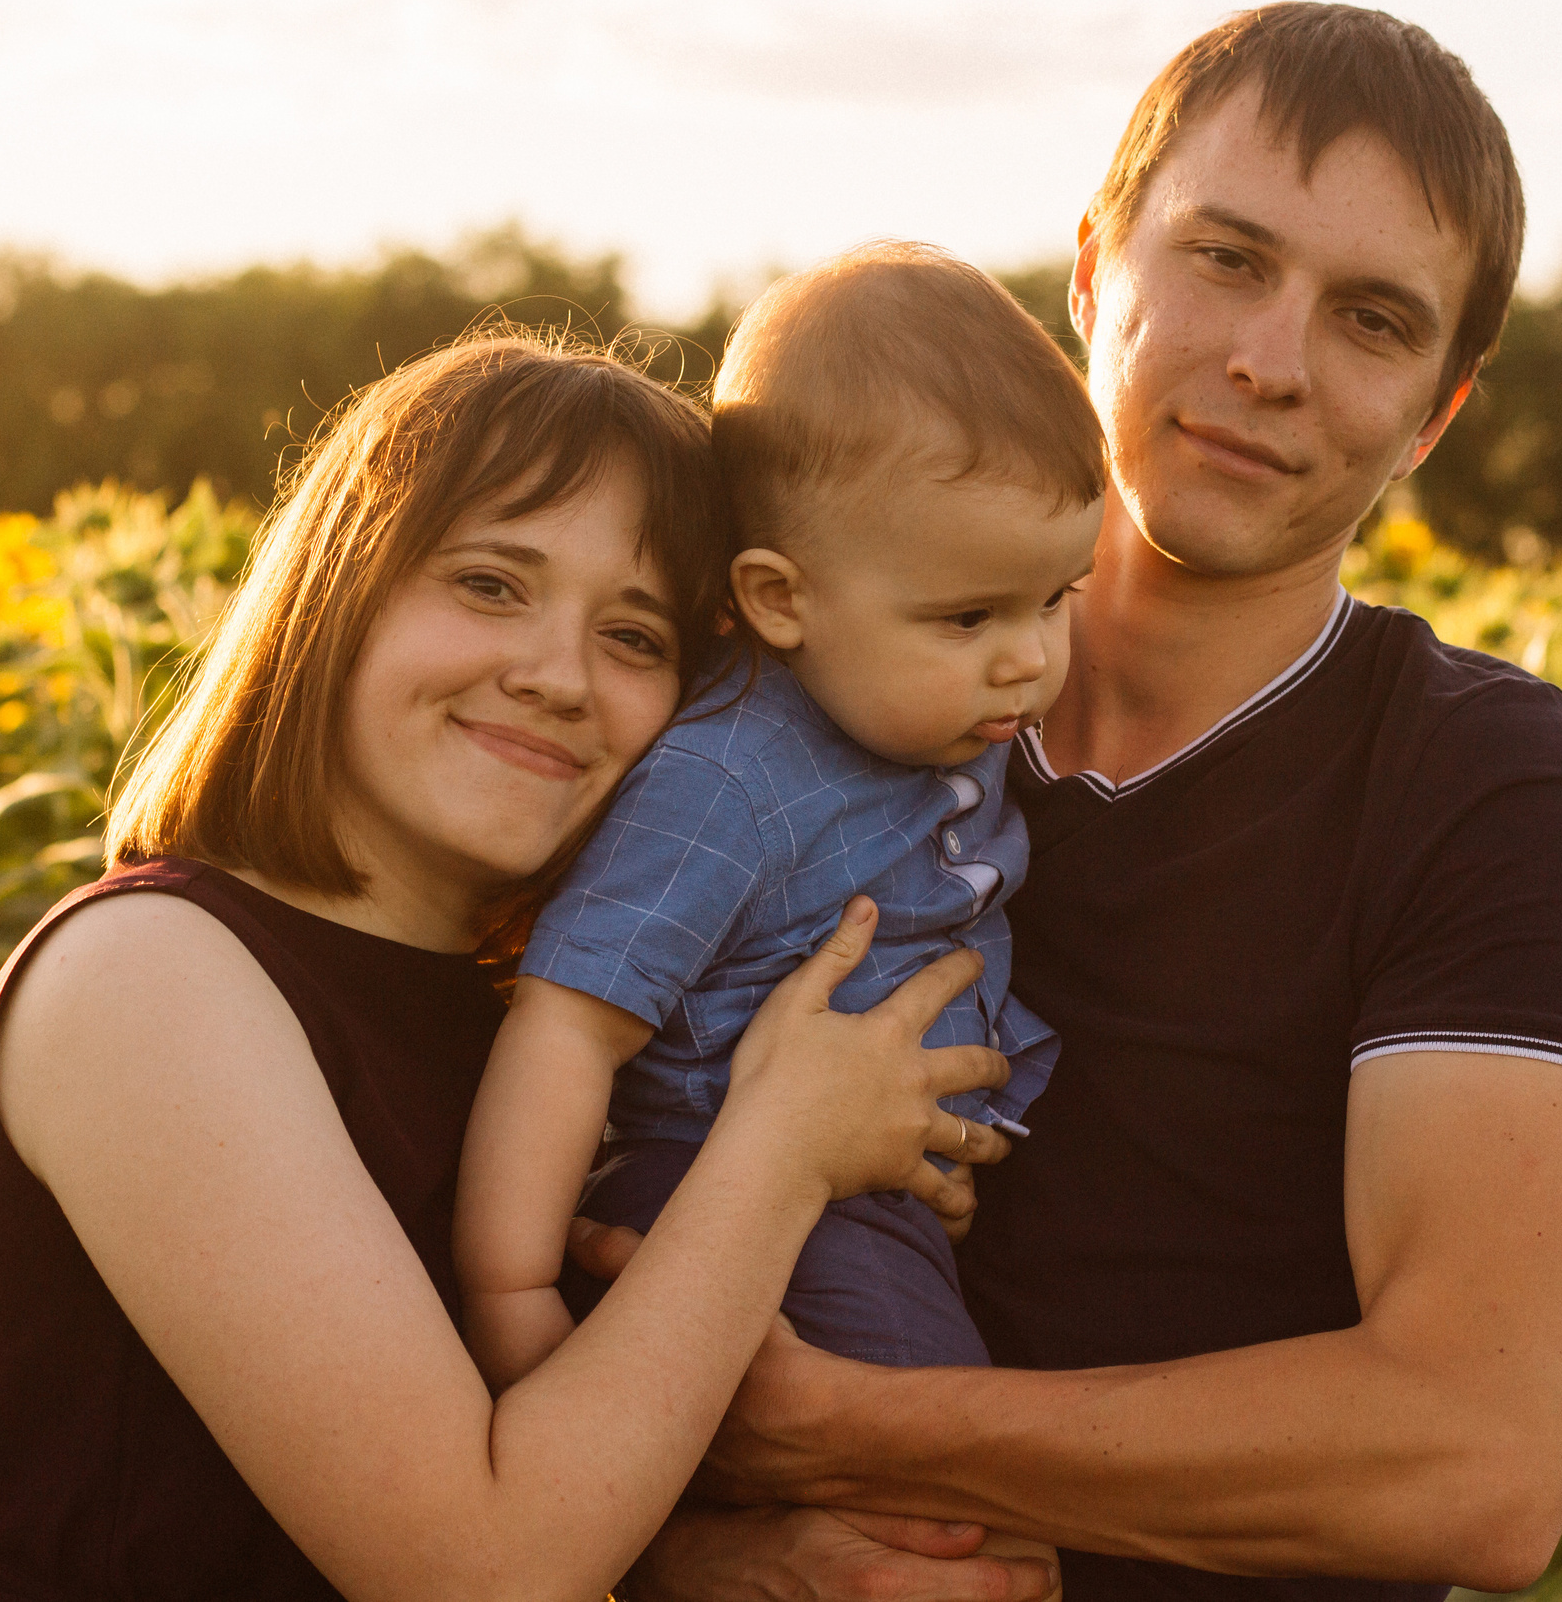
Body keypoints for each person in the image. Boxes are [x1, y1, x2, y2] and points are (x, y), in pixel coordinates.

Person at [620, 3, 1562, 1602]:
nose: (1269, 362)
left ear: (1437, 411)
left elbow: (1477, 1459)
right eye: (1227, 258)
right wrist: (693, 1548)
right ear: (1094, 270)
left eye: (1373, 320)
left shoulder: (1477, 778)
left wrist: (847, 1431)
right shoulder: (776, 653)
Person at [0, 333, 1014, 1601]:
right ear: (335, 587)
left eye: (637, 637)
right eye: (491, 585)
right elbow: (482, 1572)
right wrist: (785, 1145)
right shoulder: (152, 978)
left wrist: (707, 1567)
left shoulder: (528, 1032)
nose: (556, 676)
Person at [455, 249, 1102, 1582]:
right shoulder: (726, 780)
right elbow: (568, 1027)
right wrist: (514, 1299)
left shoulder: (938, 701)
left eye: (1055, 598)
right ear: (780, 598)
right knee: (941, 1524)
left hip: (860, 1194)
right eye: (972, 613)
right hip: (719, 1188)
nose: (1029, 655)